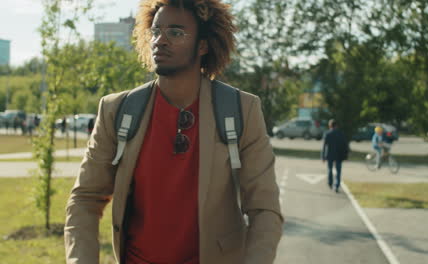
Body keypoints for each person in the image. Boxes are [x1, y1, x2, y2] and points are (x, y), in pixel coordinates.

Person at [64, 1, 283, 264]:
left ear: (203, 45)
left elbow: (265, 210)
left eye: (175, 33)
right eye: (156, 31)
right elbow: (85, 199)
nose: (160, 40)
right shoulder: (116, 110)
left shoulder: (241, 110)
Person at [321, 119, 348, 193]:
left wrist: (323, 156)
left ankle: (330, 183)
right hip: (339, 155)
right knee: (338, 171)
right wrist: (345, 156)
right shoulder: (341, 133)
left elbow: (324, 146)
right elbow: (345, 146)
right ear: (336, 125)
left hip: (330, 155)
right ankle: (336, 185)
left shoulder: (327, 134)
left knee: (330, 169)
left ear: (330, 126)